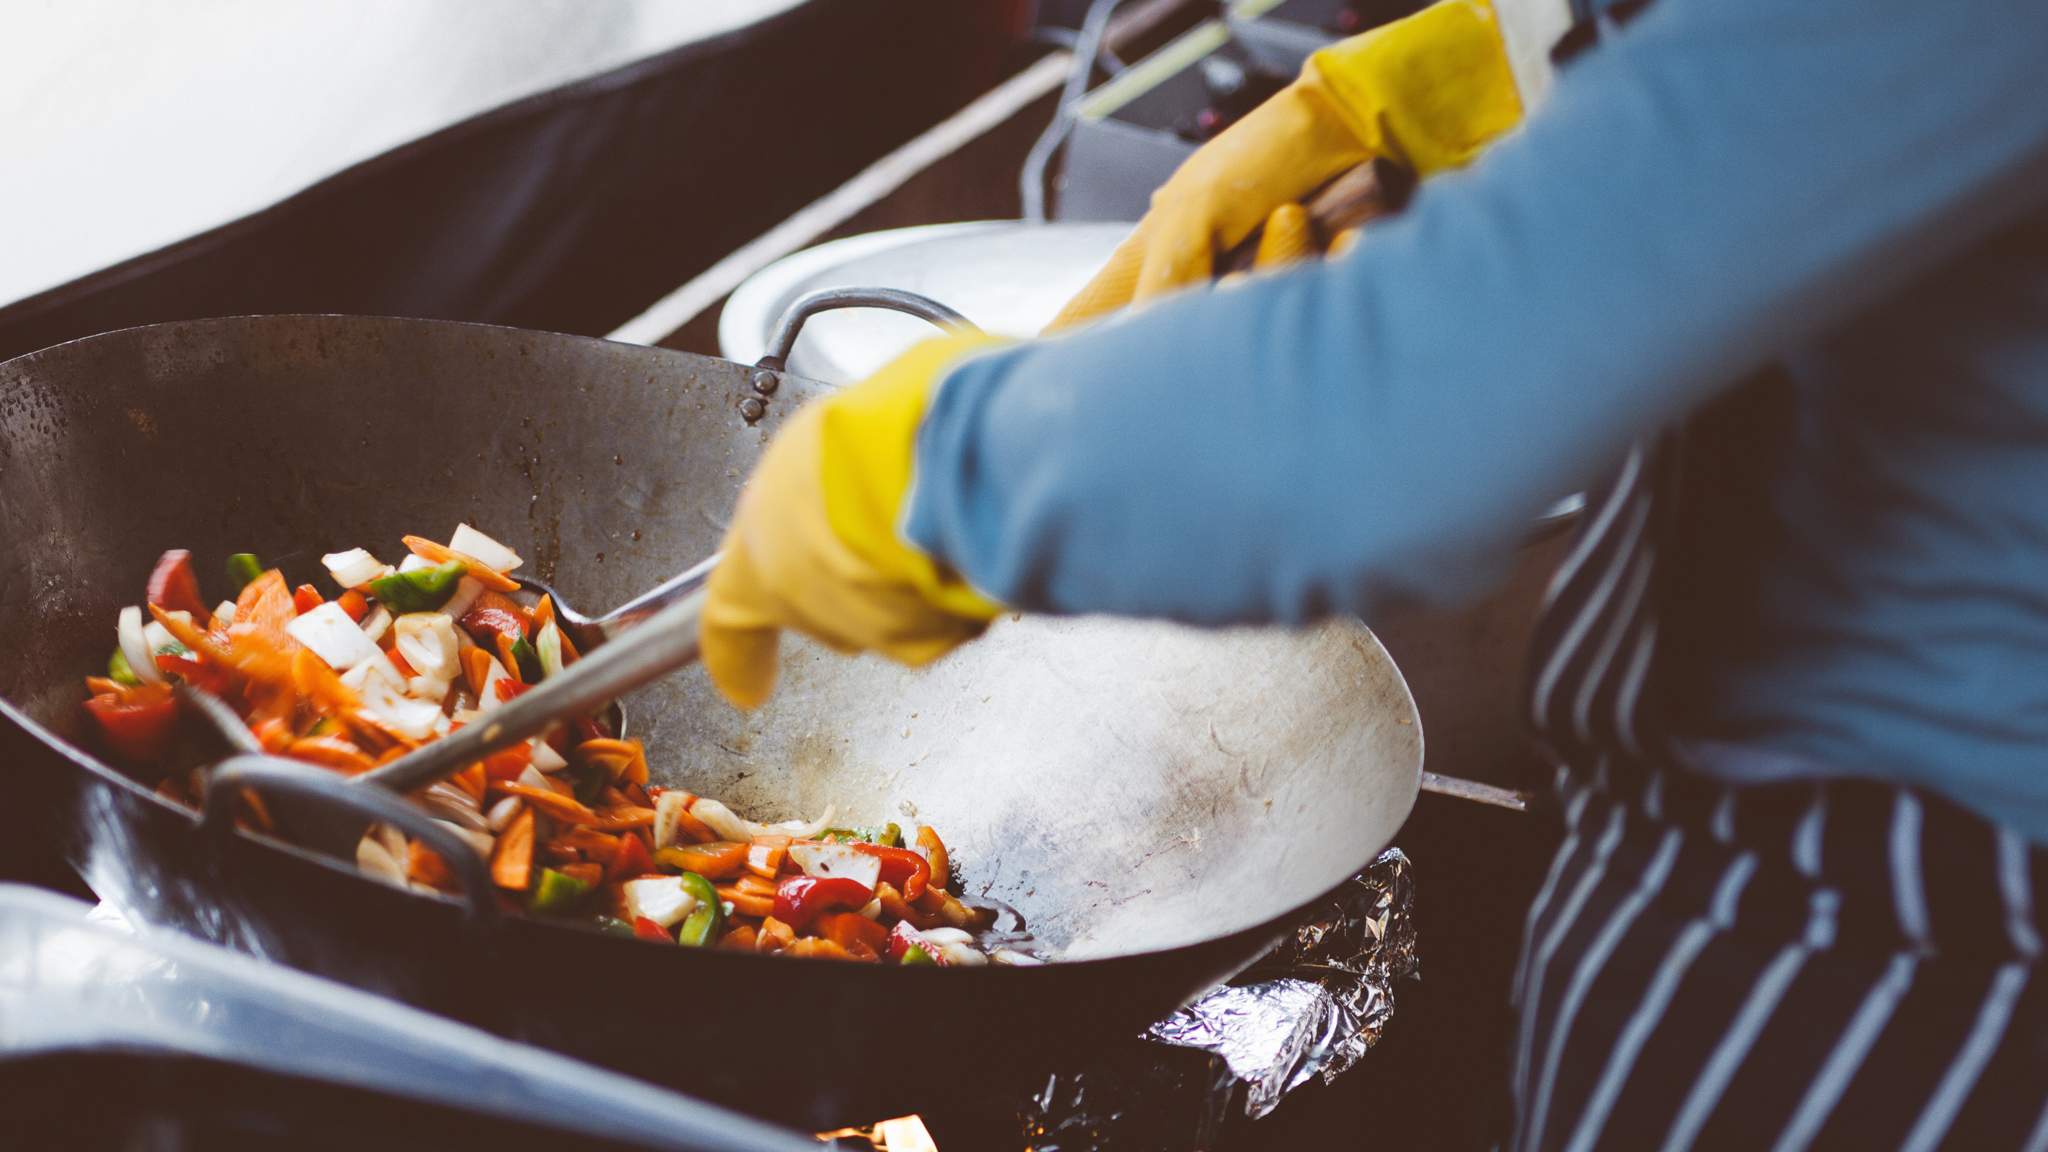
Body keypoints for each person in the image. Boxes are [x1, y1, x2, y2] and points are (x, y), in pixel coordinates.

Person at [699, 0, 2048, 1144]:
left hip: (1902, 929)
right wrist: (1486, 73)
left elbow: (1405, 417)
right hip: (1796, 857)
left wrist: (942, 467)